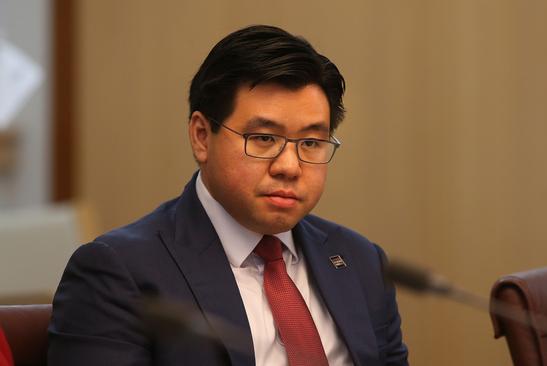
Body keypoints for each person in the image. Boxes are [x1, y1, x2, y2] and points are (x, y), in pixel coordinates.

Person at [48, 25, 408, 366]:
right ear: (202, 136)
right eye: (264, 138)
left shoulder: (362, 263)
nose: (289, 166)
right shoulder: (119, 271)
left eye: (311, 143)